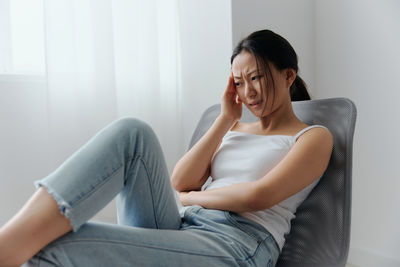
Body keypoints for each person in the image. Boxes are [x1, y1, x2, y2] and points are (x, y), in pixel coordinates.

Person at [0, 29, 333, 267]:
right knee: (133, 133)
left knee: (50, 248)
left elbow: (256, 197)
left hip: (238, 244)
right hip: (184, 225)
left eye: (256, 78)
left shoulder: (313, 137)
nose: (248, 92)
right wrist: (224, 119)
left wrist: (193, 199)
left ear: (288, 76)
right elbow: (179, 181)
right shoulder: (233, 127)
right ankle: (7, 245)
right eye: (238, 82)